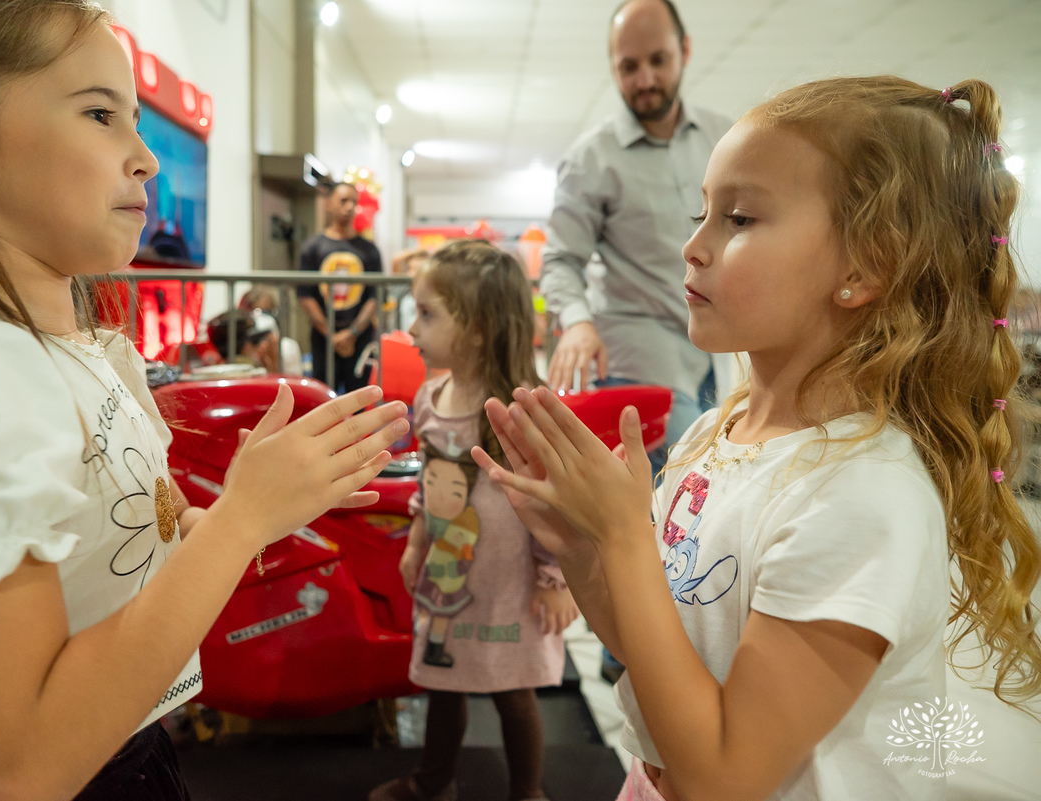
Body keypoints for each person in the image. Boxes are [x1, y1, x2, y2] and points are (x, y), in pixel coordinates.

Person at [0, 3, 408, 799]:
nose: (144, 157)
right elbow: (15, 769)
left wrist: (257, 511)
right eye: (100, 114)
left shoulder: (70, 350)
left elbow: (115, 564)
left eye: (134, 121)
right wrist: (241, 519)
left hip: (132, 755)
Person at [475, 77, 1041, 801]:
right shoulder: (719, 431)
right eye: (700, 212)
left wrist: (624, 537)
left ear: (866, 264)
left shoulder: (865, 495)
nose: (692, 246)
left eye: (738, 219)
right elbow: (659, 650)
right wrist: (584, 549)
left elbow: (727, 776)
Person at [370, 241, 579, 801]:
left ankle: (528, 792)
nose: (411, 328)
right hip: (450, 573)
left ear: (480, 328)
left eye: (427, 313)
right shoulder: (431, 396)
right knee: (443, 685)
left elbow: (553, 502)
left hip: (509, 584)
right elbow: (427, 486)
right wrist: (416, 545)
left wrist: (556, 580)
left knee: (515, 693)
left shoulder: (520, 410)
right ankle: (434, 781)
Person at [540, 0, 732, 477]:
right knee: (691, 486)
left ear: (684, 51)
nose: (645, 79)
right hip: (637, 354)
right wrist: (578, 323)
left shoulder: (725, 139)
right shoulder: (591, 160)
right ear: (612, 67)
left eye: (657, 61)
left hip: (716, 353)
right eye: (629, 67)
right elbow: (560, 260)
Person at [297, 181, 382, 393]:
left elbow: (375, 296)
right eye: (344, 201)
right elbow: (306, 295)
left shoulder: (369, 250)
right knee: (324, 400)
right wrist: (331, 335)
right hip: (323, 339)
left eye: (354, 202)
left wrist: (352, 332)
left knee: (359, 400)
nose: (350, 207)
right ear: (329, 204)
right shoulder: (312, 247)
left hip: (360, 338)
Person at [206, 307, 281, 373]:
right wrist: (273, 368)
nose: (262, 346)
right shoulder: (251, 373)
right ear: (246, 345)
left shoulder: (216, 370)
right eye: (256, 342)